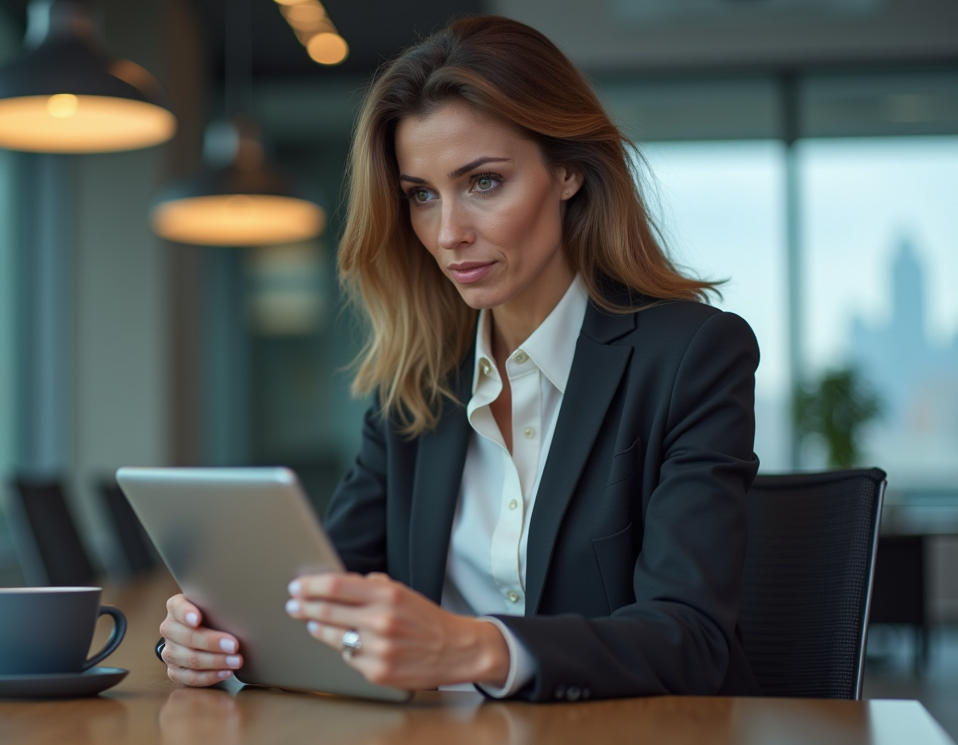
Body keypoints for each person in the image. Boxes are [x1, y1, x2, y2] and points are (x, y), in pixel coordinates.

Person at [158, 15, 761, 702]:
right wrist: (209, 637)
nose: (448, 234)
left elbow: (692, 639)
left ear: (567, 171)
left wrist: (474, 646)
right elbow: (322, 598)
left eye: (483, 183)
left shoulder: (692, 356)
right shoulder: (416, 386)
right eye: (421, 195)